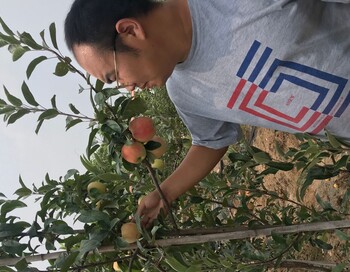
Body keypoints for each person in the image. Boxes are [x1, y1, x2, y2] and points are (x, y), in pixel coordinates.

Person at [65, 0, 350, 227]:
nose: (128, 89)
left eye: (115, 75)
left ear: (130, 30)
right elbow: (209, 141)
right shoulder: (185, 92)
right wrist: (165, 192)